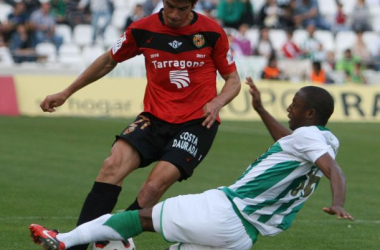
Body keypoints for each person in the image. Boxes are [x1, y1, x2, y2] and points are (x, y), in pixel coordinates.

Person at [30, 77, 354, 250]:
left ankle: (64, 240)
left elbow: (333, 171)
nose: (289, 108)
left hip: (226, 211)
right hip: (244, 236)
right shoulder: (324, 140)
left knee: (139, 219)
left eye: (294, 106)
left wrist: (338, 202)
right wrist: (260, 109)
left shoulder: (312, 141)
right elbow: (291, 141)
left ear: (310, 114)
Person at [38, 0, 241, 249]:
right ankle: (83, 243)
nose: (175, 14)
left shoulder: (212, 32)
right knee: (112, 166)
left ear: (193, 5)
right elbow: (107, 61)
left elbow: (233, 80)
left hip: (197, 123)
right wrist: (66, 92)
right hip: (153, 118)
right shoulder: (142, 29)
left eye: (182, 8)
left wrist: (218, 101)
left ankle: (111, 235)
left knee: (152, 189)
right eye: (170, 6)